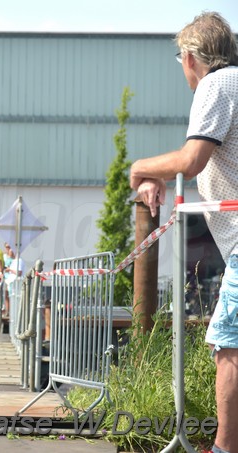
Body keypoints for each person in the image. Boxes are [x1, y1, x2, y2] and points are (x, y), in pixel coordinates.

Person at [129, 12, 238, 453]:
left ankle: (223, 448)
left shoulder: (217, 85)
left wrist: (140, 168)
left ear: (192, 57)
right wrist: (161, 176)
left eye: (181, 58)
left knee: (229, 345)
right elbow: (210, 161)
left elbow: (192, 159)